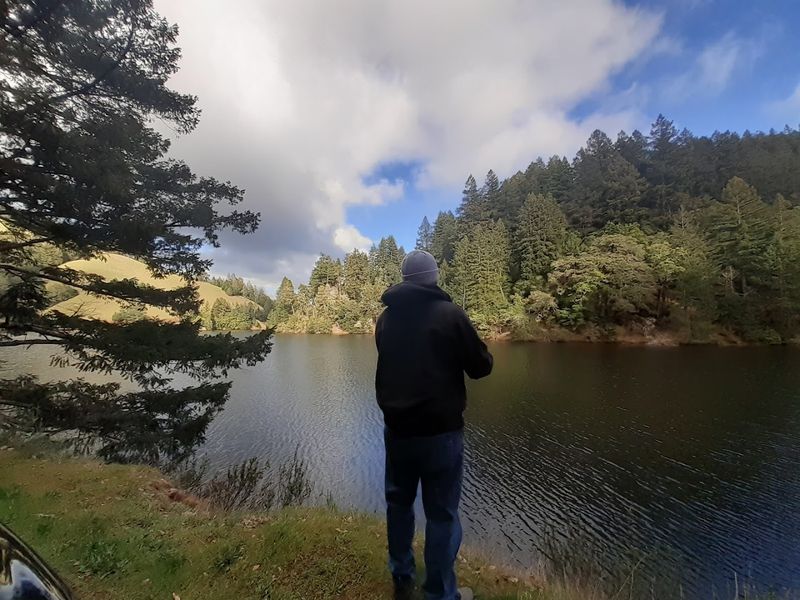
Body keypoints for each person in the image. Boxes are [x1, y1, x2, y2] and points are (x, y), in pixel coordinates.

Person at [375, 250, 494, 600]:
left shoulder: (385, 319)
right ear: (434, 277)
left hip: (397, 431)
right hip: (440, 434)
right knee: (441, 515)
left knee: (398, 504)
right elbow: (481, 366)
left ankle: (401, 578)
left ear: (405, 279)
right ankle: (440, 593)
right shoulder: (449, 315)